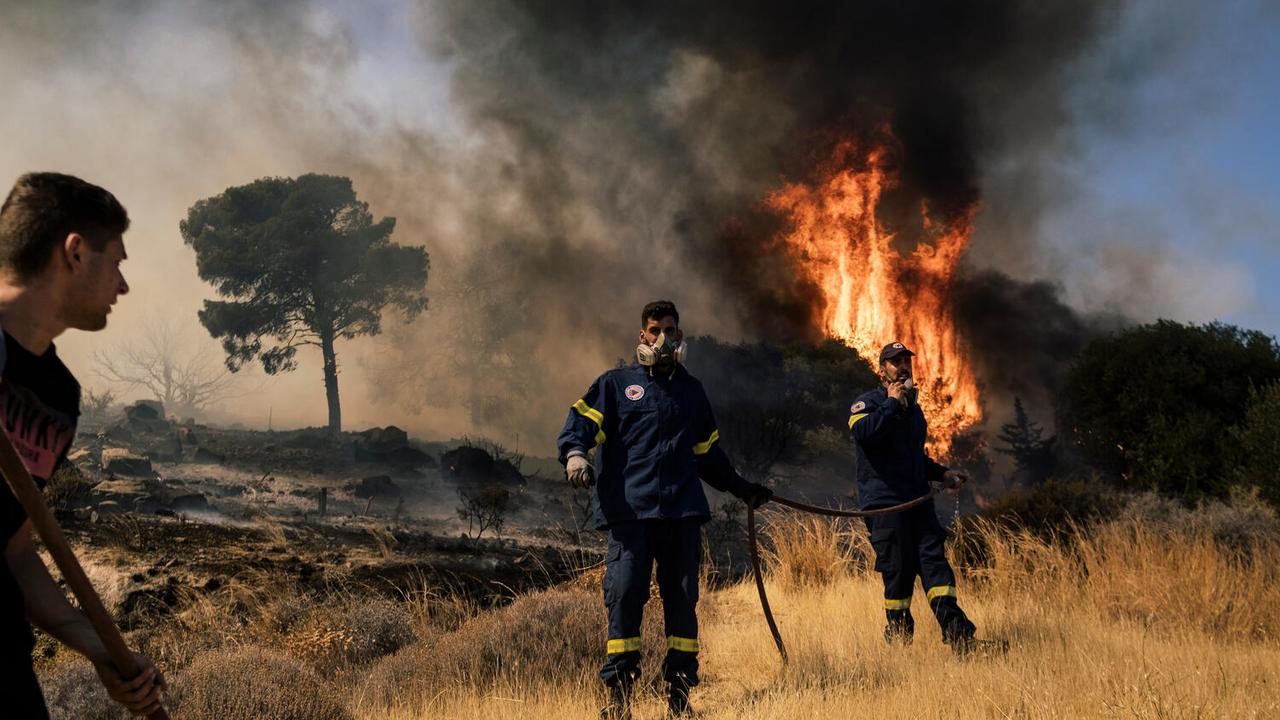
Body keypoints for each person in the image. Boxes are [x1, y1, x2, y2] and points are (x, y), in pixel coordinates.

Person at [0, 172, 165, 718]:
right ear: (74, 252)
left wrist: (97, 646)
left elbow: (14, 551)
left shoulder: (57, 397)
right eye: (116, 261)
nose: (123, 286)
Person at [557, 300, 772, 719]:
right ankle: (619, 701)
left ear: (680, 335)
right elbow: (579, 423)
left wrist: (743, 489)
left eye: (670, 330)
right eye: (655, 330)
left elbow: (708, 456)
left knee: (682, 604)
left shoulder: (691, 391)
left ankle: (679, 698)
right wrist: (575, 454)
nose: (663, 338)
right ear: (642, 336)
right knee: (624, 599)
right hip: (631, 517)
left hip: (680, 516)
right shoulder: (616, 385)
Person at [847, 341, 977, 651]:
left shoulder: (914, 412)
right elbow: (863, 434)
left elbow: (915, 458)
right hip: (886, 506)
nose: (903, 365)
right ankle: (899, 644)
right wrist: (891, 404)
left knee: (936, 566)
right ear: (882, 370)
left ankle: (959, 636)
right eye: (895, 361)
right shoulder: (867, 404)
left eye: (906, 360)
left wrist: (942, 473)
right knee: (898, 573)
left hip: (919, 502)